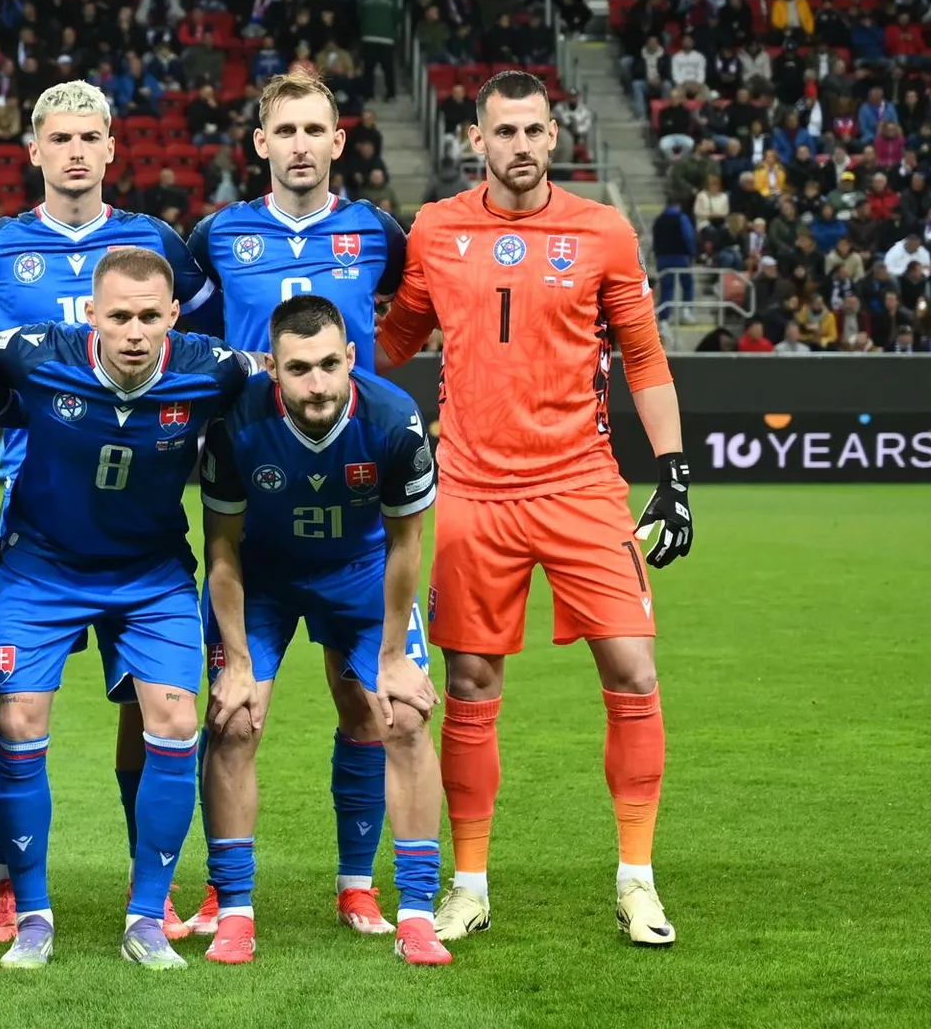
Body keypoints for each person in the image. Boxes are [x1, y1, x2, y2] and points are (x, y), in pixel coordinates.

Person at [378, 69, 691, 949]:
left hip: (583, 483)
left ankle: (637, 882)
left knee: (633, 671)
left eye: (534, 130)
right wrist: (294, 363)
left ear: (555, 137)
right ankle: (469, 886)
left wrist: (673, 473)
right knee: (472, 686)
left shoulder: (602, 231)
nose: (520, 145)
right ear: (475, 141)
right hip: (473, 490)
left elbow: (644, 355)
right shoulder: (436, 229)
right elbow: (395, 339)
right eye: (504, 131)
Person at [0, 248, 254, 969]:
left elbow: (278, 376)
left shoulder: (212, 368)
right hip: (40, 568)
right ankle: (32, 914)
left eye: (149, 317)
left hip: (150, 575)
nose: (134, 333)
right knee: (18, 721)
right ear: (91, 315)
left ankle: (147, 916)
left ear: (173, 316)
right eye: (118, 317)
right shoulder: (35, 351)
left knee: (175, 720)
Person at [0, 79, 213, 943]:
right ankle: (10, 884)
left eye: (88, 137)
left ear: (110, 148)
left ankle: (151, 886)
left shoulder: (159, 243)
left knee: (154, 711)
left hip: (143, 516)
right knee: (18, 714)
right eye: (58, 139)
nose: (74, 152)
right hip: (40, 510)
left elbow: (201, 346)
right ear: (33, 149)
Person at [184, 71, 414, 939]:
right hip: (255, 492)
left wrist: (374, 387)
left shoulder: (376, 232)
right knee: (234, 710)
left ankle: (358, 886)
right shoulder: (217, 235)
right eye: (285, 130)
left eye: (316, 129)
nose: (301, 145)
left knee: (366, 707)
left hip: (352, 497)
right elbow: (187, 331)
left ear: (338, 141)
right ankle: (225, 891)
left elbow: (409, 318)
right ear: (261, 144)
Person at [199, 295, 449, 966]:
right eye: (299, 368)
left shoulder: (393, 419)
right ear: (272, 369)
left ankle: (406, 908)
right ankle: (235, 908)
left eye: (330, 365)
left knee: (401, 715)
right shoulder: (237, 420)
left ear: (351, 358)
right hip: (263, 577)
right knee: (234, 720)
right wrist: (237, 664)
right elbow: (221, 549)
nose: (317, 383)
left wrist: (392, 656)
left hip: (361, 573)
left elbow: (406, 545)